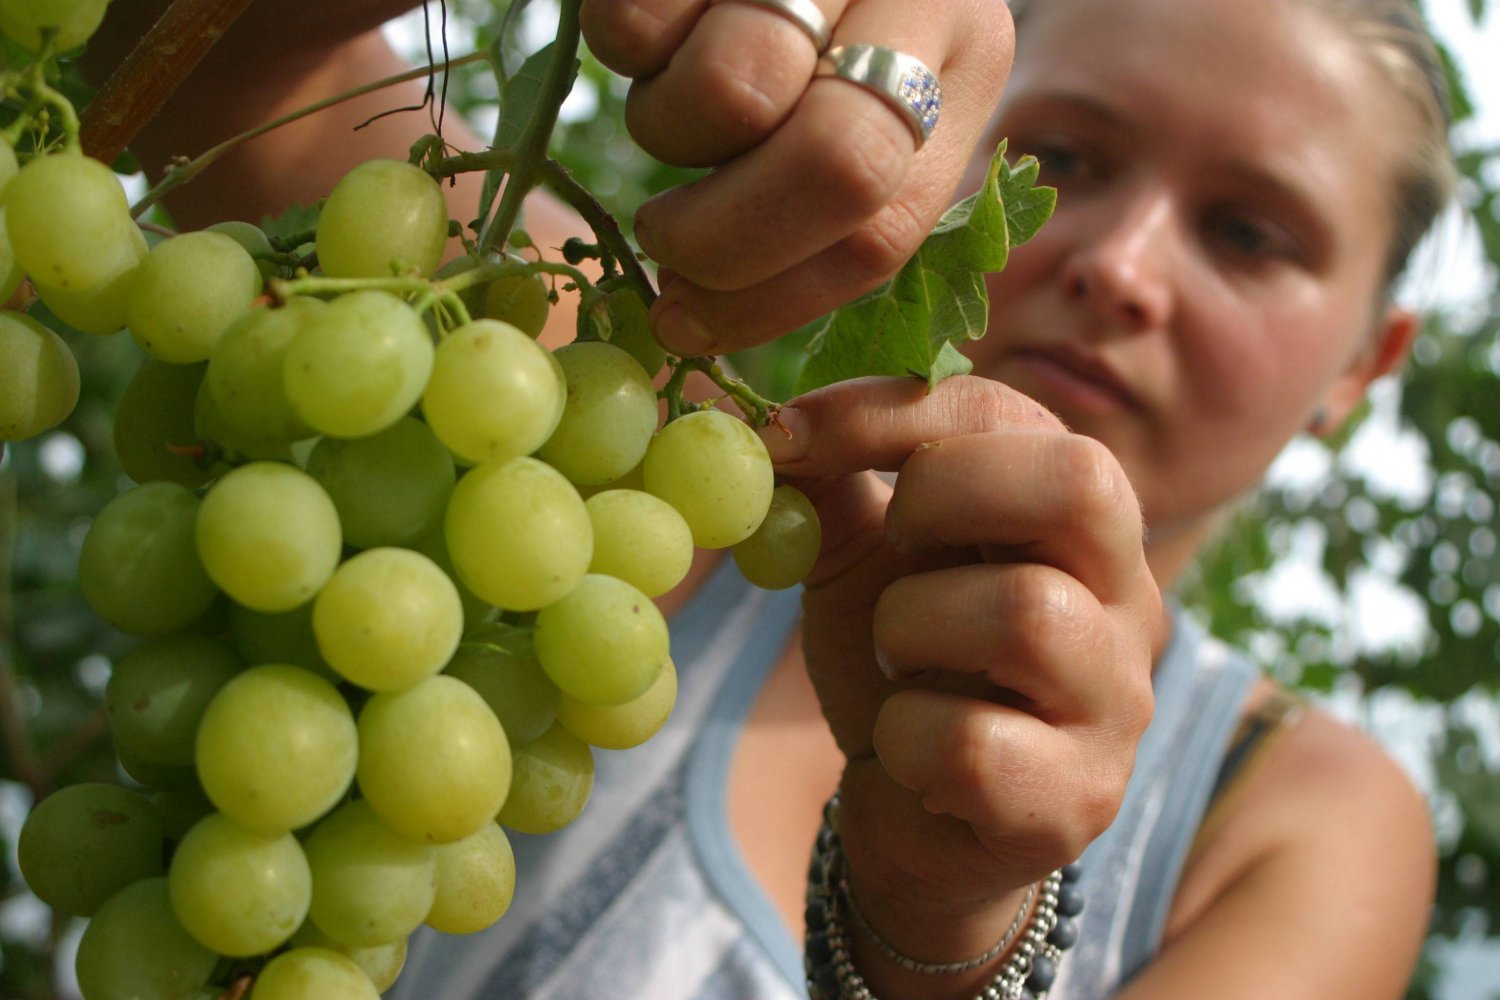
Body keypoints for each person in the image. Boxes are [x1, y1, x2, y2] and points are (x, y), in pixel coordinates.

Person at [82, 0, 1453, 997]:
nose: (1121, 266)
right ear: (959, 157)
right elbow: (184, 65)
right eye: (1068, 162)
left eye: (1250, 234)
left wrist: (943, 933)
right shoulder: (618, 417)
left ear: (1363, 367)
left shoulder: (1298, 818)